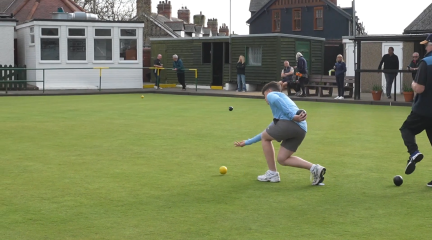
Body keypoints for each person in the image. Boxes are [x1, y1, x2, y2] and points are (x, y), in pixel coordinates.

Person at [233, 81, 326, 185]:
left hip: (291, 123)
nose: (265, 99)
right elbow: (266, 132)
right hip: (302, 129)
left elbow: (276, 101)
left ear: (269, 91)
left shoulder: (272, 95)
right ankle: (315, 168)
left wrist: (292, 117)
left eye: (264, 96)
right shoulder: (280, 111)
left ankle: (272, 173)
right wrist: (247, 142)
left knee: (265, 138)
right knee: (282, 159)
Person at [399, 34, 432, 187]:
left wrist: (412, 84)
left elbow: (419, 87)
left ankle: (414, 152)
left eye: (427, 44)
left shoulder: (426, 62)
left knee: (406, 129)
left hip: (423, 109)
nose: (426, 47)